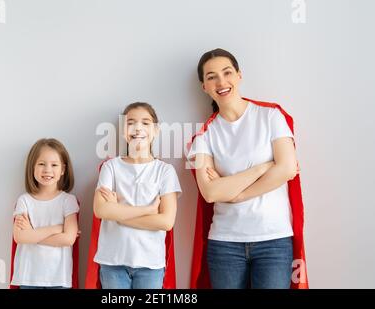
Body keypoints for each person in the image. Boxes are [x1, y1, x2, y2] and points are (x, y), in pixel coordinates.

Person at [188, 48, 308, 289]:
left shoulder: (271, 116)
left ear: (239, 75)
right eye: (211, 77)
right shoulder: (203, 137)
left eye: (227, 72)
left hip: (273, 239)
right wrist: (263, 168)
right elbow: (210, 193)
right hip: (224, 243)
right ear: (204, 86)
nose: (221, 82)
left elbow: (285, 169)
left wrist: (234, 191)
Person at [85, 102, 182, 289]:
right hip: (113, 262)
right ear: (123, 131)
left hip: (150, 265)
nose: (138, 128)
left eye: (145, 123)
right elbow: (101, 209)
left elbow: (165, 222)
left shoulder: (165, 171)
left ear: (155, 130)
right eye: (131, 123)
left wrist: (119, 216)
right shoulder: (111, 167)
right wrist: (147, 210)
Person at [10, 138, 79, 289]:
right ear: (32, 168)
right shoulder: (24, 201)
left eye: (54, 165)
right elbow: (20, 237)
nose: (47, 170)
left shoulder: (68, 200)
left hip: (59, 278)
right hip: (28, 277)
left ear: (63, 170)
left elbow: (68, 239)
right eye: (41, 164)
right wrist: (56, 229)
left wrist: (32, 234)